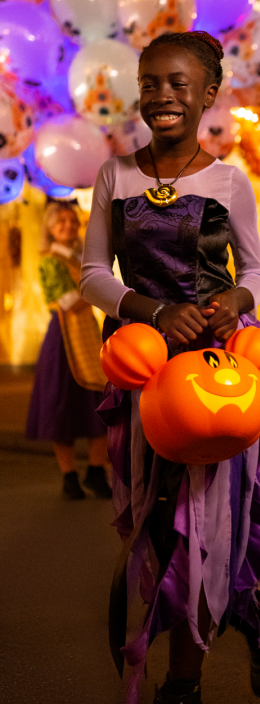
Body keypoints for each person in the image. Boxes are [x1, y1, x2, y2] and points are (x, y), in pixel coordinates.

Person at [81, 30, 260, 704]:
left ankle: (182, 697)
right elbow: (94, 274)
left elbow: (254, 272)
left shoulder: (229, 178)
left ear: (209, 95)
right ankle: (251, 607)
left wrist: (234, 307)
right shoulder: (113, 175)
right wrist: (153, 310)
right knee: (158, 532)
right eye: (151, 83)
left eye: (179, 84)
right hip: (145, 376)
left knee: (205, 535)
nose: (162, 96)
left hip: (218, 377)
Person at [25, 201, 111, 500]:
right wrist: (98, 284)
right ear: (49, 227)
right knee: (61, 405)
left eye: (72, 220)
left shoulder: (81, 257)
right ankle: (69, 475)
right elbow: (69, 301)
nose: (68, 225)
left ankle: (97, 471)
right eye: (60, 221)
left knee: (99, 403)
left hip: (88, 333)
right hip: (62, 339)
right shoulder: (50, 260)